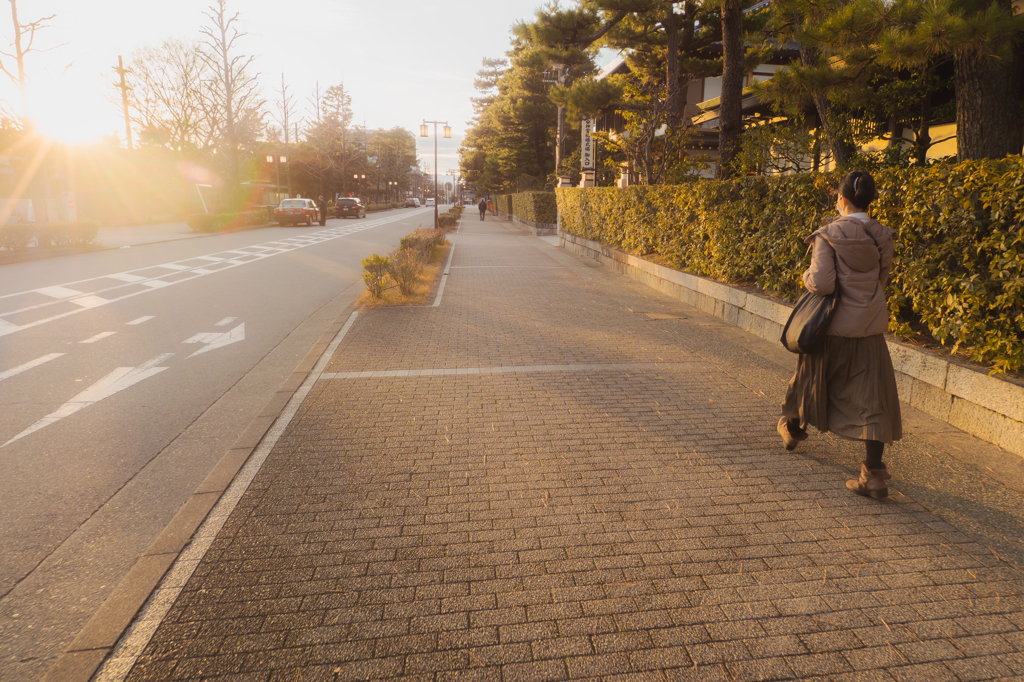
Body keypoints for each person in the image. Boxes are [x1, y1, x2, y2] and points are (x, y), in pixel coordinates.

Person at [779, 170, 902, 500]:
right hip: (869, 328)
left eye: (837, 196)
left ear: (843, 200)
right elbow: (882, 278)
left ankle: (791, 429)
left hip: (831, 326)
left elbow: (822, 283)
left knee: (810, 379)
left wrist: (805, 275)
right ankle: (873, 475)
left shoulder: (829, 234)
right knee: (872, 398)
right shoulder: (882, 236)